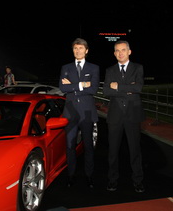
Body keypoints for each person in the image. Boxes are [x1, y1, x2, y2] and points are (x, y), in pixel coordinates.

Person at [103, 40, 145, 193]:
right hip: (115, 116)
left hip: (133, 115)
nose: (120, 53)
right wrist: (128, 89)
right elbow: (106, 91)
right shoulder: (110, 70)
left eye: (123, 50)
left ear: (129, 51)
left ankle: (138, 181)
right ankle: (112, 180)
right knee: (113, 151)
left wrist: (118, 86)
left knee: (135, 151)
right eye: (117, 50)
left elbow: (138, 87)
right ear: (114, 53)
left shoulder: (138, 68)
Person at [59, 38, 100, 188]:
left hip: (87, 112)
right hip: (70, 113)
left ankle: (89, 176)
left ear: (86, 50)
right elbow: (63, 88)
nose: (78, 51)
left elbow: (94, 89)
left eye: (81, 48)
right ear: (73, 50)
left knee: (88, 146)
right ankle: (71, 175)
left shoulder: (94, 68)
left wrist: (73, 86)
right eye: (75, 48)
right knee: (70, 146)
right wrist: (83, 84)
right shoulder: (66, 67)